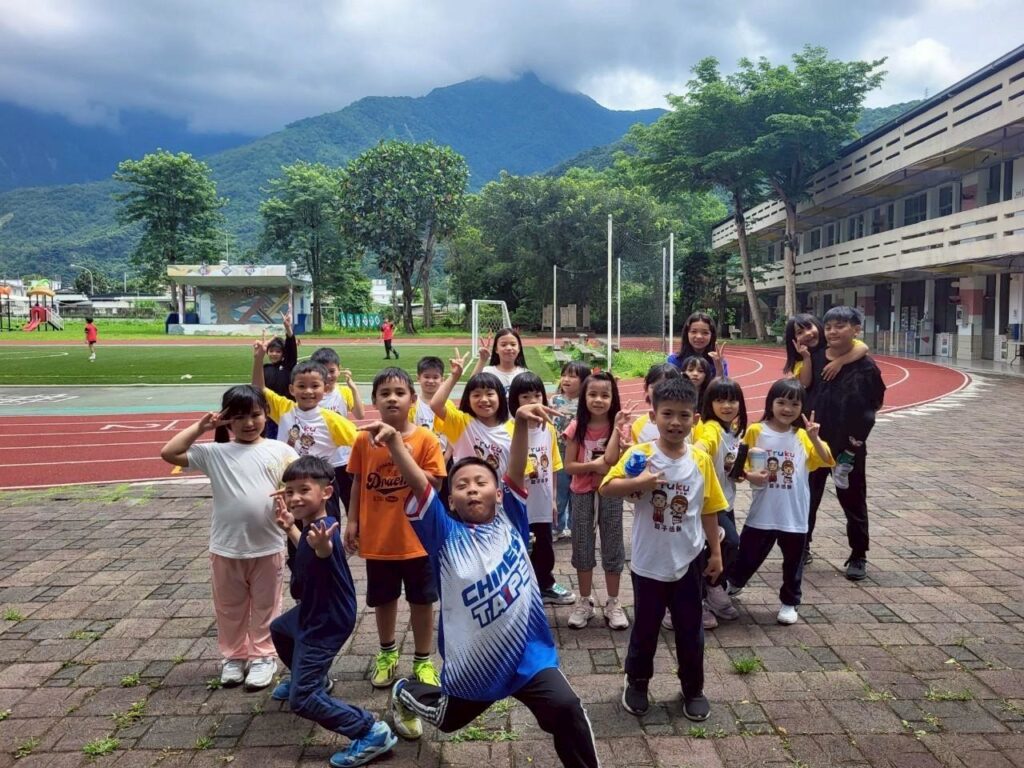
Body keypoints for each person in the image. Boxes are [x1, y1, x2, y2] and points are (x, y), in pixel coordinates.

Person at [367, 403, 600, 768]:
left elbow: (515, 471)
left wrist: (520, 423)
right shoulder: (443, 534)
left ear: (498, 493)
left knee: (567, 708)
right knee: (446, 721)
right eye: (461, 486)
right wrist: (396, 443)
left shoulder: (512, 518)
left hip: (529, 657)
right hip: (475, 666)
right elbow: (420, 486)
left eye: (481, 483)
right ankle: (404, 692)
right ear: (450, 501)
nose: (472, 490)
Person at [601, 377, 728, 721]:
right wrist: (638, 482)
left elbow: (709, 508)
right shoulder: (640, 455)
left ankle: (693, 688)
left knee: (690, 630)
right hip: (648, 563)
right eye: (667, 414)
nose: (675, 422)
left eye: (684, 415)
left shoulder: (700, 460)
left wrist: (716, 552)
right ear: (653, 415)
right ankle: (637, 681)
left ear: (695, 419)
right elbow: (607, 487)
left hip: (689, 560)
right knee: (646, 628)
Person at [159, 385, 297, 690]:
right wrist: (201, 427)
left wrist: (290, 500)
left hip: (268, 545)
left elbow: (298, 485)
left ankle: (263, 656)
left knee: (266, 606)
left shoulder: (281, 450)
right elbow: (169, 453)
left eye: (255, 415)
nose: (248, 423)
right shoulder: (215, 453)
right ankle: (234, 656)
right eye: (239, 417)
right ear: (226, 420)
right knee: (229, 607)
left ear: (266, 414)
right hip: (226, 547)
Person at [269, 456, 397, 768]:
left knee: (302, 700)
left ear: (326, 493)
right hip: (313, 611)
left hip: (326, 622)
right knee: (280, 629)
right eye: (289, 491)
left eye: (304, 490)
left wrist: (321, 545)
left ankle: (369, 730)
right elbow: (311, 548)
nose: (294, 498)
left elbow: (323, 550)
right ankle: (315, 679)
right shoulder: (311, 529)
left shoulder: (325, 530)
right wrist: (290, 528)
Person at [345, 368, 446, 711]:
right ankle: (387, 652)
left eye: (399, 392)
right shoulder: (363, 440)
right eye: (384, 393)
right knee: (383, 599)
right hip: (379, 539)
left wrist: (396, 446)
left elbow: (434, 485)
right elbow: (358, 481)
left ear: (413, 400)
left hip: (419, 540)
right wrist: (352, 520)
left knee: (422, 600)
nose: (392, 398)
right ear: (374, 400)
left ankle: (423, 658)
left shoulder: (426, 440)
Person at [728, 379, 833, 625]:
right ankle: (734, 583)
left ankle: (790, 601)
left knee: (793, 562)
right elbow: (740, 467)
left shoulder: (804, 436)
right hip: (763, 511)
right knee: (747, 554)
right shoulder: (756, 431)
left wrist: (815, 438)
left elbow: (827, 459)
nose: (787, 409)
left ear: (802, 407)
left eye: (795, 404)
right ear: (770, 403)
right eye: (781, 402)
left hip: (794, 514)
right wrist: (750, 475)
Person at [803, 307, 886, 579]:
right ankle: (802, 546)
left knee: (853, 500)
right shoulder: (815, 358)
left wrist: (855, 441)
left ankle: (858, 554)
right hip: (814, 442)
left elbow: (875, 405)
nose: (832, 332)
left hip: (848, 446)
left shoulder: (866, 367)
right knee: (807, 498)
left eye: (840, 326)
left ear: (856, 330)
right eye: (828, 327)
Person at [563, 371, 631, 630]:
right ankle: (584, 601)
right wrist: (594, 465)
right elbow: (569, 466)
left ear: (613, 398)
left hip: (611, 492)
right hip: (582, 494)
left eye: (605, 395)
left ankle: (613, 602)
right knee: (582, 545)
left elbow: (612, 461)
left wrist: (616, 429)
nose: (598, 400)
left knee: (613, 544)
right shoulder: (576, 427)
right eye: (592, 394)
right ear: (584, 397)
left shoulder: (619, 427)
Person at [508, 372, 575, 606]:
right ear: (515, 401)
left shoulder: (548, 429)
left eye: (537, 395)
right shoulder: (509, 429)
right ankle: (518, 589)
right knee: (519, 545)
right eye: (525, 397)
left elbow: (554, 465)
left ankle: (545, 584)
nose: (532, 401)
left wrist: (553, 499)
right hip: (519, 503)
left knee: (544, 546)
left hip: (542, 502)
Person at [693, 377, 748, 628]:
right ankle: (708, 590)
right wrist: (696, 453)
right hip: (710, 504)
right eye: (720, 400)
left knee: (721, 548)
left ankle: (712, 589)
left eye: (732, 400)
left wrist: (741, 473)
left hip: (727, 501)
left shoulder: (731, 430)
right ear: (709, 403)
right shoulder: (711, 428)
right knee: (730, 543)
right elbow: (703, 446)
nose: (727, 406)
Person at [429, 349, 518, 480]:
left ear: (500, 397)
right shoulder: (462, 423)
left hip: (499, 492)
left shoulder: (512, 428)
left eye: (490, 394)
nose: (484, 399)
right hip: (466, 491)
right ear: (468, 400)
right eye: (476, 395)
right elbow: (435, 404)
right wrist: (455, 376)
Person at [311, 347, 366, 518]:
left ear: (339, 369)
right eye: (323, 371)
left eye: (332, 371)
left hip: (344, 459)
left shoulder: (343, 392)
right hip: (322, 461)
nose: (328, 375)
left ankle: (355, 531)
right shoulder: (312, 395)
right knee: (327, 506)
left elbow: (360, 414)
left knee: (352, 502)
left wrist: (354, 389)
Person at [550, 361, 590, 541]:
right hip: (558, 452)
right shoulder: (554, 400)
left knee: (577, 492)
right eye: (564, 375)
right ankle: (556, 527)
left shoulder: (586, 403)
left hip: (579, 454)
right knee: (559, 492)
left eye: (572, 376)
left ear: (584, 381)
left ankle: (576, 527)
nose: (566, 379)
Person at [783, 312, 869, 387]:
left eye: (809, 327)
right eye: (800, 332)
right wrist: (806, 357)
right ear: (793, 340)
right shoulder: (800, 362)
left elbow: (863, 348)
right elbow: (805, 384)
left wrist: (839, 362)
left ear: (818, 326)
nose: (807, 333)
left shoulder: (832, 343)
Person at [261, 313, 298, 440]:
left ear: (283, 353)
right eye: (271, 351)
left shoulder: (288, 365)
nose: (274, 354)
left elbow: (291, 347)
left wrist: (288, 328)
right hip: (270, 415)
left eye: (278, 351)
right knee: (271, 443)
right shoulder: (264, 369)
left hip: (288, 413)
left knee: (291, 443)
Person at [630, 363, 682, 446]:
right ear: (646, 388)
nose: (661, 392)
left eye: (668, 387)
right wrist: (627, 449)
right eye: (656, 387)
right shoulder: (638, 426)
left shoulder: (693, 424)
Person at [668, 311, 727, 377]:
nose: (699, 336)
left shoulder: (718, 362)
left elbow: (723, 383)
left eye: (705, 333)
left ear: (712, 335)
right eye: (694, 331)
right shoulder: (674, 360)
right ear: (686, 334)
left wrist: (719, 369)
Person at [471, 327, 529, 393]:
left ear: (519, 348)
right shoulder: (487, 372)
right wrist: (482, 360)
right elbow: (471, 388)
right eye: (503, 345)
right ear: (496, 349)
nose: (509, 348)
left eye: (513, 344)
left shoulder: (525, 374)